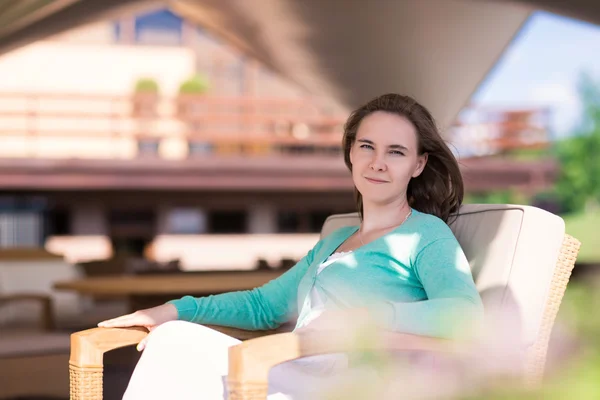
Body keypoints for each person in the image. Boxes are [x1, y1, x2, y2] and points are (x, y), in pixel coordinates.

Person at [99, 93, 484, 400]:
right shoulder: (336, 241)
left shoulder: (425, 233)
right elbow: (264, 307)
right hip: (294, 365)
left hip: (347, 383)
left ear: (418, 165)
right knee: (172, 338)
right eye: (367, 146)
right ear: (351, 153)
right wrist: (171, 310)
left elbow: (465, 314)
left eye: (395, 152)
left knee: (177, 346)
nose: (377, 163)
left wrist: (369, 317)